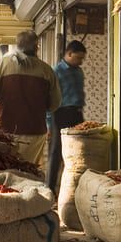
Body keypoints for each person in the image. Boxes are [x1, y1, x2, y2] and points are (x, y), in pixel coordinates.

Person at [0, 30, 61, 168]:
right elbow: (54, 104)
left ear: (17, 45)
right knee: (28, 170)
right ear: (36, 46)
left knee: (6, 168)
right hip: (35, 132)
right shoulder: (47, 70)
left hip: (6, 130)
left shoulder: (3, 64)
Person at [46, 40, 87, 192]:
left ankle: (74, 190)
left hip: (77, 114)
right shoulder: (56, 71)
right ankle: (49, 190)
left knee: (78, 152)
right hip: (60, 114)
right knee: (56, 152)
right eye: (78, 58)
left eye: (82, 58)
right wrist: (49, 124)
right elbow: (49, 99)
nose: (80, 61)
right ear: (69, 54)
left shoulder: (78, 71)